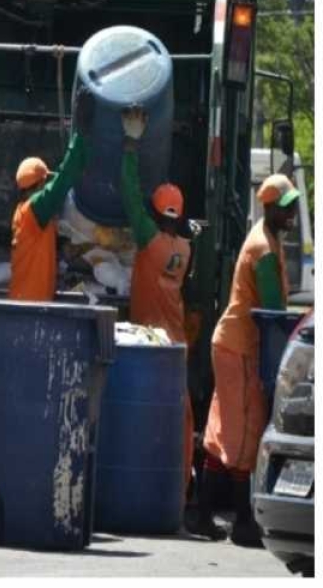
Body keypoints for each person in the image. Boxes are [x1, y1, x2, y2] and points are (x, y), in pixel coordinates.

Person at [198, 173, 298, 547]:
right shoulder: (266, 250)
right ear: (269, 207)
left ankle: (204, 514)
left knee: (222, 431)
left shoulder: (266, 236)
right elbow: (274, 313)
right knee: (245, 434)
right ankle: (243, 522)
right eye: (285, 208)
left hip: (231, 344)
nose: (290, 214)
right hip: (240, 347)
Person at [119, 107, 202, 532]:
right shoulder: (183, 250)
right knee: (180, 420)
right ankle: (180, 497)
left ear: (156, 214)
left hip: (146, 347)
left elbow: (129, 193)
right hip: (176, 349)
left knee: (141, 425)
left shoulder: (149, 242)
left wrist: (131, 145)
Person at [9, 92, 93, 301]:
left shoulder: (23, 213)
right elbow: (65, 177)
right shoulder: (35, 208)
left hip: (24, 301)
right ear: (40, 184)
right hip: (32, 307)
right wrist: (81, 133)